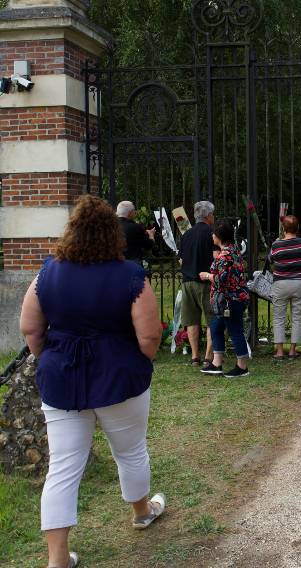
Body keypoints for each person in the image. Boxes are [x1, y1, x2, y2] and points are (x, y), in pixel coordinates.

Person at [19, 195, 166, 568]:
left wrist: (51, 359)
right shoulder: (130, 276)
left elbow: (31, 329)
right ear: (111, 234)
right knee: (130, 450)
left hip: (63, 379)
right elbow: (149, 338)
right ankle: (141, 511)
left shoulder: (47, 272)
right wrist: (134, 364)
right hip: (119, 377)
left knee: (64, 466)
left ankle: (57, 559)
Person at [199, 220, 251, 378]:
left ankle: (242, 367)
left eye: (213, 233)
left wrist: (207, 275)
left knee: (235, 330)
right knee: (216, 327)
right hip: (231, 299)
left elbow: (222, 279)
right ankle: (216, 363)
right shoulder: (233, 251)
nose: (212, 235)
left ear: (218, 236)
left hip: (229, 300)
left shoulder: (225, 256)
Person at [179, 201, 216, 372]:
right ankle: (208, 357)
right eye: (213, 215)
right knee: (211, 320)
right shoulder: (212, 233)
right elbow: (217, 257)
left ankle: (195, 356)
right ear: (208, 216)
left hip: (187, 282)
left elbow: (180, 259)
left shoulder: (186, 234)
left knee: (192, 321)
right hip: (205, 281)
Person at [270, 215, 301, 360]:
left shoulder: (277, 245)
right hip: (299, 282)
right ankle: (293, 350)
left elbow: (271, 259)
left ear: (283, 228)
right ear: (298, 228)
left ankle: (280, 351)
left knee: (279, 317)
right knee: (297, 316)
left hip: (281, 283)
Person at [116, 200, 155, 266]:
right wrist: (151, 235)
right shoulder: (135, 227)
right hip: (132, 265)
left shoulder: (110, 226)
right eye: (134, 211)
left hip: (115, 264)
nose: (135, 213)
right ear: (130, 213)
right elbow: (149, 245)